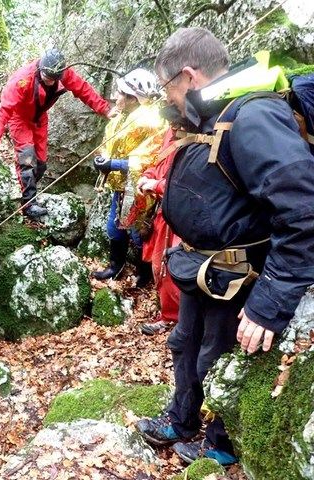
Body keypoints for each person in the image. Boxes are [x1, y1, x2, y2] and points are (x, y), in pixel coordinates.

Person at [135, 27, 314, 466]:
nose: (167, 97)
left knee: (219, 354)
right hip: (204, 269)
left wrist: (269, 303)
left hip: (241, 277)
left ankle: (219, 442)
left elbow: (305, 208)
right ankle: (181, 418)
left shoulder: (252, 116)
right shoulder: (213, 114)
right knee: (185, 343)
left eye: (168, 86)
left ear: (190, 76)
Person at [0, 48, 111, 219]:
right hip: (19, 119)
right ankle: (28, 204)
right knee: (27, 159)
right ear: (40, 69)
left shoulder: (61, 71)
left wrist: (105, 109)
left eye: (54, 79)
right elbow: (3, 110)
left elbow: (82, 89)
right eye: (47, 77)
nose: (50, 81)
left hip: (39, 119)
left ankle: (27, 191)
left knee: (41, 164)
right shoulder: (22, 79)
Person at [92, 68, 166, 287]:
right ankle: (116, 266)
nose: (116, 96)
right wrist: (103, 160)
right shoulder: (122, 116)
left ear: (134, 99)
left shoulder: (152, 121)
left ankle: (145, 273)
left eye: (121, 93)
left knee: (138, 233)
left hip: (141, 189)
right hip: (121, 186)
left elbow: (149, 159)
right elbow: (110, 144)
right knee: (115, 227)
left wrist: (113, 164)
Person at [137, 128, 181, 335]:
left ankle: (178, 318)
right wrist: (148, 176)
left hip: (180, 215)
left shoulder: (196, 136)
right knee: (159, 265)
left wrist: (157, 185)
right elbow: (160, 163)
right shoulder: (170, 132)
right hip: (164, 211)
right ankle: (169, 314)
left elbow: (186, 184)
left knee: (173, 266)